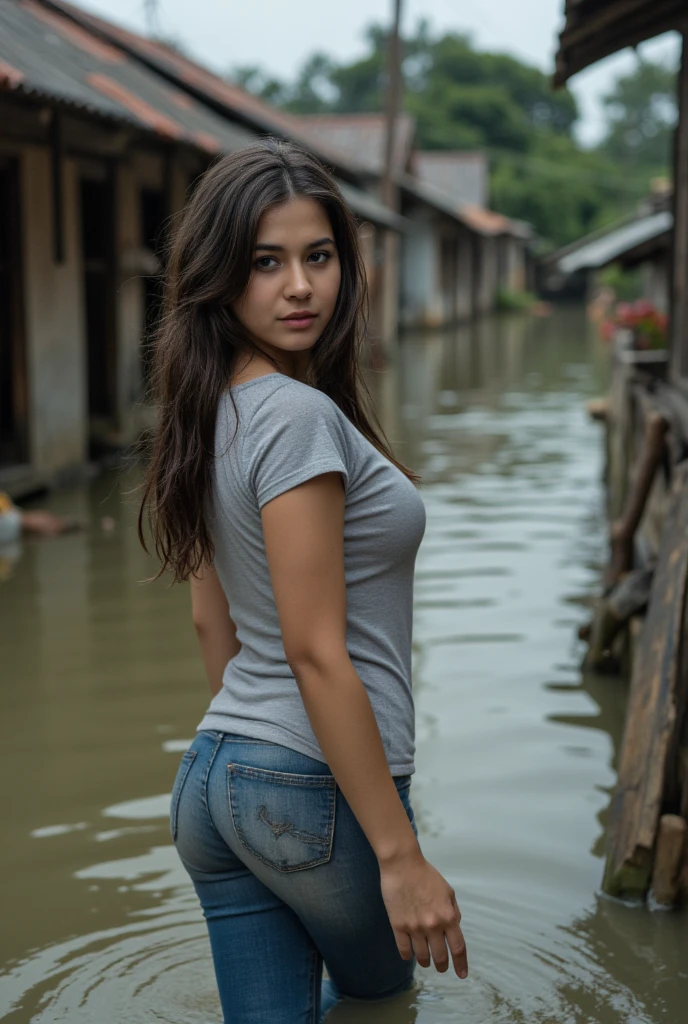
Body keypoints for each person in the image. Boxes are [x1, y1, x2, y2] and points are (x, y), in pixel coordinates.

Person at [139, 139, 467, 1023]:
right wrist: (399, 860)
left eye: (318, 257)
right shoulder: (297, 417)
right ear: (218, 276)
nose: (299, 287)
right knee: (381, 1005)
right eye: (265, 263)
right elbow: (313, 649)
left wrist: (251, 773)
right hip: (303, 783)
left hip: (213, 783)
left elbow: (216, 627)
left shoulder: (210, 410)